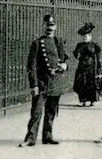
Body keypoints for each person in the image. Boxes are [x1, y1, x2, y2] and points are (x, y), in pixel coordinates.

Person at [20, 14, 69, 147]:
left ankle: (48, 136)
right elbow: (31, 65)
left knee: (51, 111)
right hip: (42, 83)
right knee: (36, 111)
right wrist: (34, 84)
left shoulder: (59, 41)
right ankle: (30, 138)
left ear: (56, 27)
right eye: (48, 25)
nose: (50, 28)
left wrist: (64, 65)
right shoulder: (37, 43)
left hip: (55, 82)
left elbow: (64, 58)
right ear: (44, 26)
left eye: (52, 25)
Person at [73, 22, 102, 107]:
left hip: (92, 67)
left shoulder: (94, 45)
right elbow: (76, 54)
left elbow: (98, 58)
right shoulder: (80, 45)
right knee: (82, 83)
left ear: (90, 36)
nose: (85, 37)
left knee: (91, 83)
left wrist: (99, 69)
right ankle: (83, 99)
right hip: (82, 67)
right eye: (84, 36)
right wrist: (78, 55)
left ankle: (93, 99)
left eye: (87, 36)